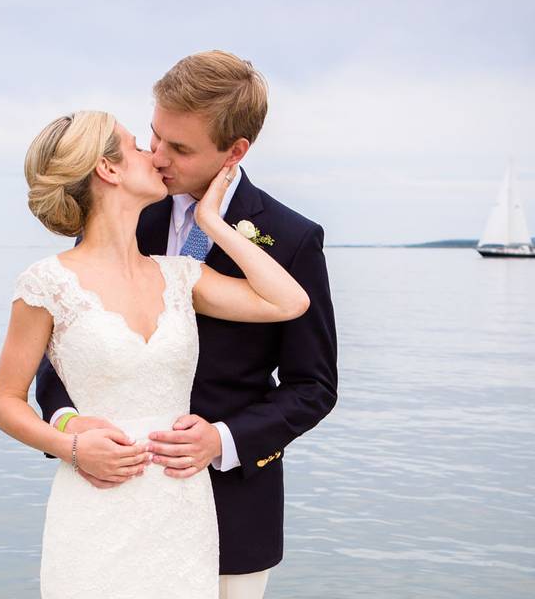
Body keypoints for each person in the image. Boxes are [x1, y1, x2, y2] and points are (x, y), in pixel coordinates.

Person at [36, 51, 338, 599]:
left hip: (233, 511)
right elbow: (64, 345)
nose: (157, 157)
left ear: (235, 151)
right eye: (154, 137)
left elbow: (313, 387)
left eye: (180, 148)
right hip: (114, 498)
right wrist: (66, 424)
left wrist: (221, 441)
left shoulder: (292, 239)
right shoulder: (121, 213)